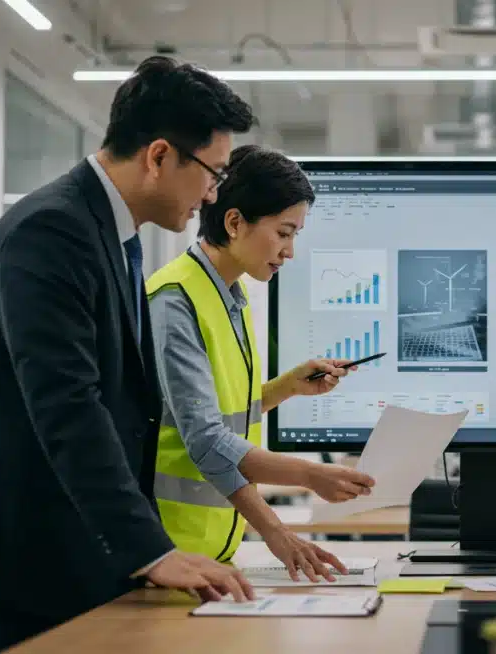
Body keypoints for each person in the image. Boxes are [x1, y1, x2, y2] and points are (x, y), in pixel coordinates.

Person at [0, 56, 259, 653]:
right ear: (158, 156)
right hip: (15, 554)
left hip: (68, 543)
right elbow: (67, 404)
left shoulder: (106, 232)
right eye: (213, 173)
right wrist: (151, 549)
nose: (212, 193)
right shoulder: (50, 232)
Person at [146, 144, 375, 581]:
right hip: (171, 553)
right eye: (284, 232)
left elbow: (220, 412)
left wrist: (286, 387)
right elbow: (207, 440)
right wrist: (307, 480)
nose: (289, 251)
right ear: (234, 222)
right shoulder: (175, 300)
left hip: (214, 552)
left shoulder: (232, 293)